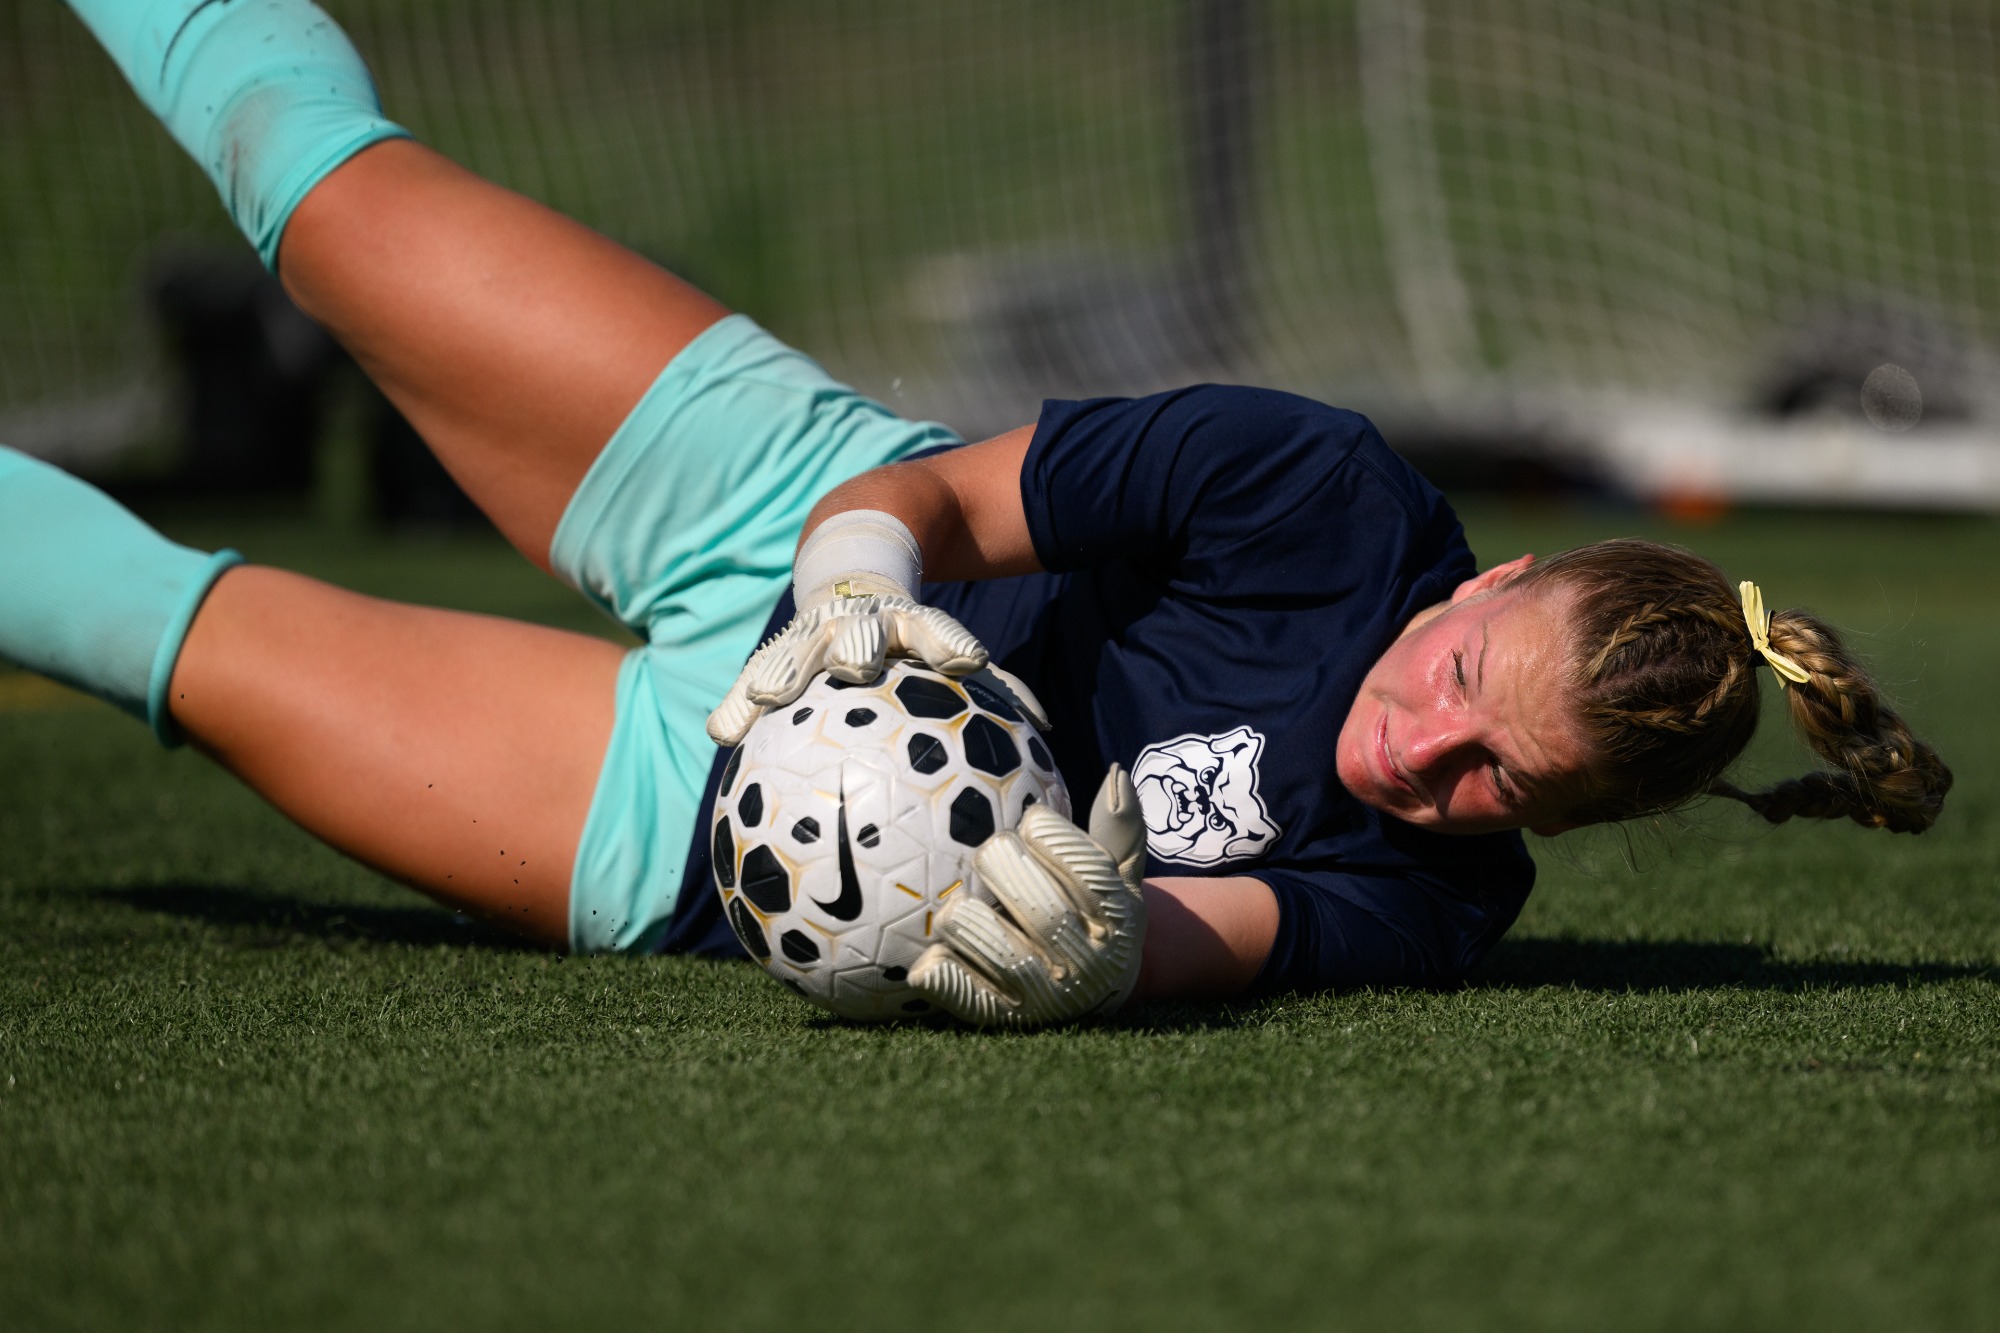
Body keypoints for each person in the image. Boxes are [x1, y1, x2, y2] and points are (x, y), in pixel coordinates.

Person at [3, 1, 1951, 1027]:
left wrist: (1084, 950)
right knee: (320, 194)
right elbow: (930, 488)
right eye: (1456, 671)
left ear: (1558, 828)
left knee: (162, 627)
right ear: (1492, 571)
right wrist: (852, 576)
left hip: (715, 826)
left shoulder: (1432, 904)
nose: (1415, 745)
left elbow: (1196, 939)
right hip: (782, 500)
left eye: (1491, 781)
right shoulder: (1323, 489)